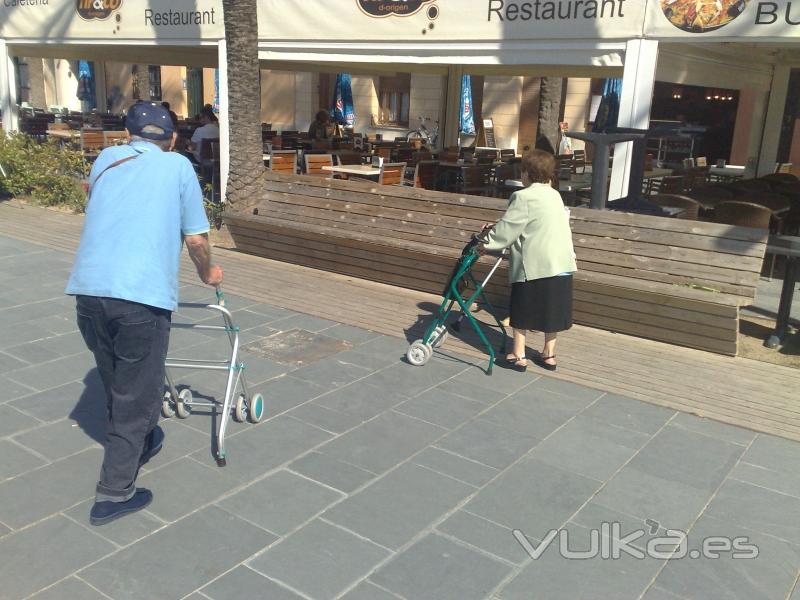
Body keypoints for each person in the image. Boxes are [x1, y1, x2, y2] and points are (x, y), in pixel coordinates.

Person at [65, 101, 223, 526]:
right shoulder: (178, 168)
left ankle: (142, 438)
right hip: (139, 297)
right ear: (171, 138)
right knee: (136, 391)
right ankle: (114, 492)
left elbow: (98, 202)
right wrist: (209, 271)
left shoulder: (105, 159)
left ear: (127, 136)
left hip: (88, 291)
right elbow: (195, 238)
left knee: (118, 377)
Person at [481, 150, 577, 372]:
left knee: (522, 307)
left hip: (535, 264)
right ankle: (549, 354)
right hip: (561, 262)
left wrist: (485, 242)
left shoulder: (523, 196)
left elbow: (508, 230)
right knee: (552, 308)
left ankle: (518, 354)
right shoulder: (554, 194)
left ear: (527, 173)